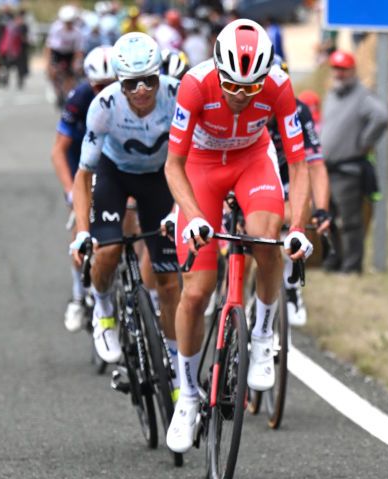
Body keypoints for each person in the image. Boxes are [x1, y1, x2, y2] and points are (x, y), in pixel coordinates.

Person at [163, 18, 313, 454]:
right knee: (196, 291)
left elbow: (299, 166)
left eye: (251, 88)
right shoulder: (194, 85)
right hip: (201, 168)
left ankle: (263, 337)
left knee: (267, 238)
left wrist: (298, 226)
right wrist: (191, 216)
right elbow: (173, 165)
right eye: (232, 85)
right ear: (218, 70)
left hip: (251, 162)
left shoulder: (280, 87)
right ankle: (188, 396)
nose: (240, 96)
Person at [68, 32, 181, 368]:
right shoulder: (104, 106)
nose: (142, 91)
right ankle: (103, 310)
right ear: (119, 81)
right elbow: (83, 175)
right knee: (109, 249)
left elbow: (192, 157)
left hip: (160, 176)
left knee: (168, 280)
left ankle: (176, 367)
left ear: (159, 74)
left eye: (148, 80)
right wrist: (82, 231)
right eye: (131, 84)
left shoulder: (177, 95)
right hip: (114, 173)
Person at [52, 45, 115, 332]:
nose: (105, 91)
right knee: (80, 232)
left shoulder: (128, 98)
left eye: (111, 85)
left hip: (114, 166)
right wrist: (69, 191)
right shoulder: (78, 98)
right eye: (99, 86)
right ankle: (78, 298)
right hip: (82, 164)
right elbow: (58, 151)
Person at [266, 58, 331, 326]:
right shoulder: (248, 110)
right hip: (257, 176)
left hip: (290, 176)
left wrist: (322, 209)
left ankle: (291, 286)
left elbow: (315, 166)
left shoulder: (299, 111)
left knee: (294, 217)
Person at [319, 49, 388, 274]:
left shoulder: (362, 96)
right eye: (335, 68)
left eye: (343, 69)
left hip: (348, 168)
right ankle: (333, 260)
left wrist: (363, 142)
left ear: (352, 70)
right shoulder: (332, 94)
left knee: (350, 221)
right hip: (326, 168)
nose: (338, 73)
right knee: (326, 218)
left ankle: (351, 266)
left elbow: (381, 117)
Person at [45, 5, 84, 106]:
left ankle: (67, 95)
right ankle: (56, 90)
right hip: (57, 52)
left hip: (70, 54)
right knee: (53, 72)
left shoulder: (77, 32)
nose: (68, 25)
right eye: (66, 22)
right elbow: (49, 48)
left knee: (70, 75)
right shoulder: (56, 28)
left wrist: (76, 64)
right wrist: (48, 64)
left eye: (70, 22)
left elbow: (78, 51)